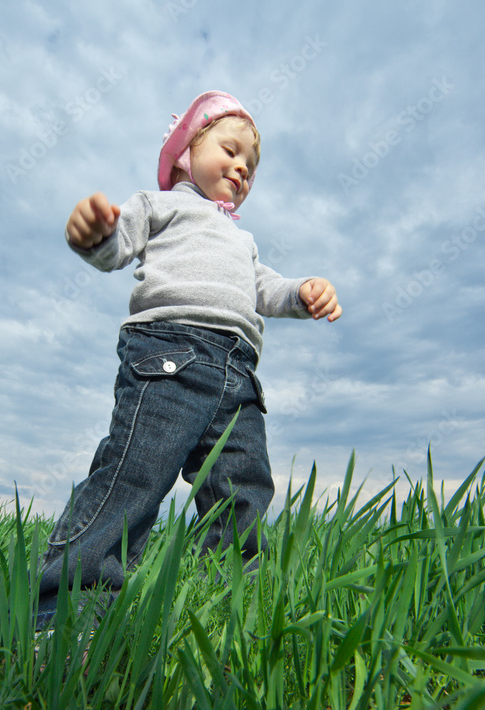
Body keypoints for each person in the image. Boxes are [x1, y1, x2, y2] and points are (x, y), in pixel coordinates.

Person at [34, 90, 341, 630]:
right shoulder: (163, 205)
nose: (242, 167)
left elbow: (264, 288)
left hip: (239, 375)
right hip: (168, 355)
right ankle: (65, 619)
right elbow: (115, 244)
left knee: (242, 489)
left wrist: (304, 293)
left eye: (252, 165)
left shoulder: (240, 239)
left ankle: (222, 613)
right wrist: (95, 234)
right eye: (230, 149)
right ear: (185, 152)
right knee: (133, 474)